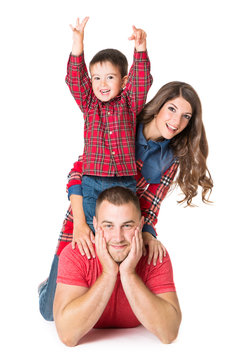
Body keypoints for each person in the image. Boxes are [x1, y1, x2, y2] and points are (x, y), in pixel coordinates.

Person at [38, 81, 213, 321]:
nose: (176, 122)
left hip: (122, 231)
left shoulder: (171, 158)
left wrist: (149, 235)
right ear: (159, 106)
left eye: (186, 116)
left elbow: (152, 206)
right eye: (172, 109)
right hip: (85, 217)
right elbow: (78, 172)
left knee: (107, 300)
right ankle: (49, 283)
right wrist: (79, 223)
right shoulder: (123, 125)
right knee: (51, 314)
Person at [53, 186, 182, 346]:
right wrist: (108, 273)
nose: (118, 237)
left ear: (141, 224)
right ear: (95, 224)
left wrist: (129, 273)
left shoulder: (155, 255)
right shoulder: (76, 254)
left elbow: (169, 333)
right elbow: (67, 335)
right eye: (108, 226)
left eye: (127, 226)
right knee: (48, 308)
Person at [66, 16, 152, 235]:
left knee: (123, 234)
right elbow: (76, 78)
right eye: (96, 78)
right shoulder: (89, 103)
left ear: (123, 82)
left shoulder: (129, 103)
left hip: (124, 182)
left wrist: (140, 48)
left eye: (110, 77)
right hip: (92, 181)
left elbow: (141, 80)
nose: (102, 84)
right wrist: (78, 45)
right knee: (93, 233)